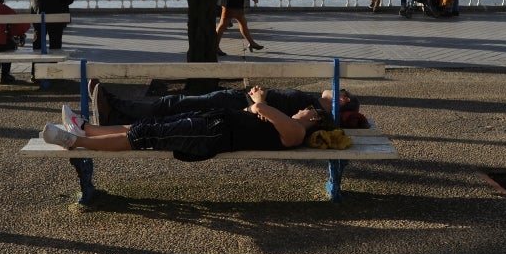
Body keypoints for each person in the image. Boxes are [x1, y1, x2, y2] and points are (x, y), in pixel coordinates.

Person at [42, 85, 333, 159]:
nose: (301, 110)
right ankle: (88, 129)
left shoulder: (296, 131)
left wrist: (260, 100)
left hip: (214, 133)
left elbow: (260, 108)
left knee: (147, 137)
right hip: (214, 123)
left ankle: (75, 141)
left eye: (307, 110)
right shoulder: (294, 125)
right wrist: (260, 106)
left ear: (315, 118)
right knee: (150, 128)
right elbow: (261, 112)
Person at [64, 81, 361, 127]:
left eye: (339, 90)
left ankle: (115, 107)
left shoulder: (318, 110)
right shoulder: (315, 106)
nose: (332, 86)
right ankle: (115, 112)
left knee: (174, 104)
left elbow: (277, 112)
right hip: (240, 100)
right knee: (175, 107)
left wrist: (259, 98)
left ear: (342, 99)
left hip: (237, 103)